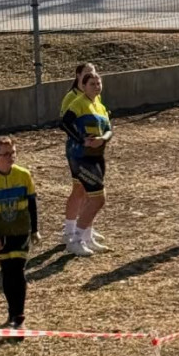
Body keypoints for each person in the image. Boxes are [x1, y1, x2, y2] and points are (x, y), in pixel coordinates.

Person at [0, 136, 38, 331]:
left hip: (21, 230)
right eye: (5, 154)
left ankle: (19, 316)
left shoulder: (24, 175)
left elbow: (32, 204)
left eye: (13, 153)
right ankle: (12, 312)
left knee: (18, 270)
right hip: (1, 233)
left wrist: (35, 230)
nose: (11, 157)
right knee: (7, 271)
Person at [60, 72, 113, 257]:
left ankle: (88, 237)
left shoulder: (100, 106)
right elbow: (64, 123)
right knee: (98, 198)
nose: (96, 87)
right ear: (83, 86)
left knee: (90, 196)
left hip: (97, 156)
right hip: (81, 157)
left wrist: (102, 139)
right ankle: (75, 240)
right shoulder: (79, 103)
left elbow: (109, 130)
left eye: (99, 83)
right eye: (92, 84)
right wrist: (81, 140)